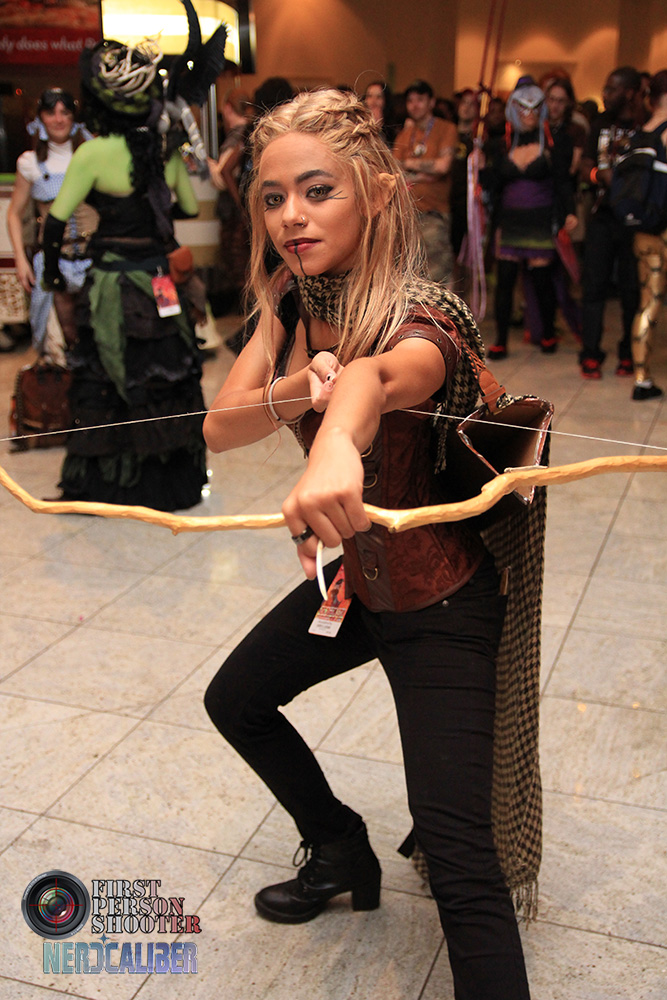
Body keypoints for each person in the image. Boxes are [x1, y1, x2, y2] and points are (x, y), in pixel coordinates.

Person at [203, 89, 547, 1000]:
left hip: (443, 604)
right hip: (354, 587)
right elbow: (220, 427)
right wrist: (297, 388)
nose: (292, 216)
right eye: (272, 198)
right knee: (236, 700)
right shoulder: (291, 302)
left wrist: (333, 444)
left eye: (317, 191)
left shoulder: (428, 316)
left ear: (377, 193)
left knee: (458, 855)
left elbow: (377, 376)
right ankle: (340, 848)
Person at [42, 39, 208, 511]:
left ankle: (112, 487)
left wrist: (54, 278)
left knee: (107, 376)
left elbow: (55, 222)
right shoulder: (165, 152)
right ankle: (169, 483)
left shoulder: (91, 154)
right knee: (167, 372)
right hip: (159, 283)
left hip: (111, 283)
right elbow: (188, 207)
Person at [484, 76, 577, 357]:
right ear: (513, 108)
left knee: (542, 281)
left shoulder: (553, 143)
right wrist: (480, 168)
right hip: (509, 220)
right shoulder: (501, 144)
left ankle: (547, 334)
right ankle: (500, 339)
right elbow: (493, 186)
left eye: (535, 107)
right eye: (523, 107)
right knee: (505, 282)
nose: (529, 114)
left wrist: (569, 212)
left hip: (540, 220)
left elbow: (563, 182)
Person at [6, 88, 93, 365]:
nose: (58, 119)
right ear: (40, 117)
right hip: (54, 261)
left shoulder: (90, 156)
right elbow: (13, 214)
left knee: (96, 335)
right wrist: (20, 260)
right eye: (51, 112)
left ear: (74, 117)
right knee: (59, 343)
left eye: (65, 112)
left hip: (94, 258)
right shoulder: (30, 162)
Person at [578, 66, 643, 379]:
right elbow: (584, 167)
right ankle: (590, 353)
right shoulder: (599, 124)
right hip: (602, 216)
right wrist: (598, 175)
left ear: (629, 93)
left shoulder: (645, 126)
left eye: (612, 89)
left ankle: (628, 353)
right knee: (594, 286)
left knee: (631, 290)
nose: (605, 95)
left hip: (635, 221)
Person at [393, 79, 457, 285]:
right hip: (407, 216)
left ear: (431, 102)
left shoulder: (446, 129)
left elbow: (443, 167)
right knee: (411, 278)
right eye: (410, 101)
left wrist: (410, 164)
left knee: (439, 278)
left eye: (420, 100)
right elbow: (395, 172)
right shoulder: (405, 135)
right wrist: (425, 174)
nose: (414, 105)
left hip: (434, 214)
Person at [627, 69, 667, 400]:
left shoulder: (640, 133)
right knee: (653, 303)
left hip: (642, 229)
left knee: (647, 302)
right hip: (664, 229)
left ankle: (641, 378)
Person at [207, 86, 253, 315]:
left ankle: (247, 317)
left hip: (237, 215)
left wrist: (240, 204)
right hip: (244, 212)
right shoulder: (250, 132)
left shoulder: (240, 135)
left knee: (239, 265)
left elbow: (225, 171)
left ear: (227, 108)